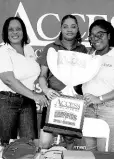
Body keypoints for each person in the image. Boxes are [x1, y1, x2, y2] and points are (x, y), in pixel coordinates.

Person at [0, 16, 48, 146]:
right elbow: (9, 80)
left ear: (23, 31)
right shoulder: (3, 52)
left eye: (18, 29)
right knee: (8, 144)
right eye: (11, 29)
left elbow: (36, 73)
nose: (15, 32)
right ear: (6, 33)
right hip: (6, 100)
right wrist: (35, 95)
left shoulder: (28, 49)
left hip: (27, 101)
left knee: (30, 143)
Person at [37, 14, 87, 150]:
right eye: (65, 27)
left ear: (77, 29)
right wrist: (46, 91)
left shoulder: (83, 50)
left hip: (73, 103)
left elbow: (85, 79)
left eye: (73, 26)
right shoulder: (51, 48)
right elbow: (42, 75)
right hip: (53, 100)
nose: (69, 30)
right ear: (61, 29)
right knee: (44, 144)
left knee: (69, 142)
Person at [82, 19, 114, 152]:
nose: (95, 38)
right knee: (90, 152)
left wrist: (99, 99)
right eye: (92, 35)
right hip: (88, 108)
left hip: (108, 110)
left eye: (100, 34)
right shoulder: (88, 57)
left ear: (108, 36)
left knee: (103, 153)